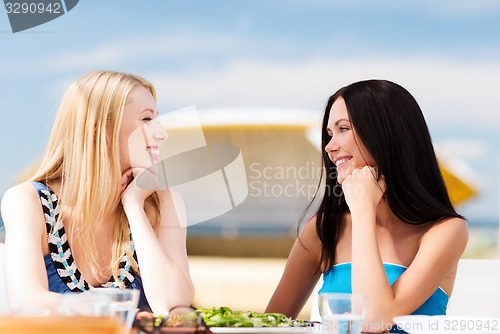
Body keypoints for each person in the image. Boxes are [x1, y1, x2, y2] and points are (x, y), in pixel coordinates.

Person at [266, 79, 468, 332]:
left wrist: (362, 211)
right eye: (329, 134)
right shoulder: (324, 228)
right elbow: (269, 325)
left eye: (343, 129)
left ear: (385, 133)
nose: (329, 147)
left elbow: (374, 321)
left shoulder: (445, 231)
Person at [0, 71, 194, 315]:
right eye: (147, 119)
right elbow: (27, 303)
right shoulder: (28, 202)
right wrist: (119, 313)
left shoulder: (164, 202)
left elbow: (173, 305)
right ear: (99, 129)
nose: (162, 133)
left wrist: (134, 207)